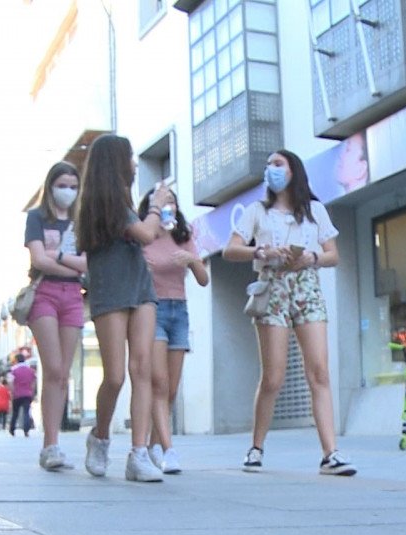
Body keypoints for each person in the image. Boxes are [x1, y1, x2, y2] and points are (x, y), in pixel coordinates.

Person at [223, 150, 356, 477]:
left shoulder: (315, 211)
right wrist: (262, 251)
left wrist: (310, 258)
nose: (271, 169)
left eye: (277, 164)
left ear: (293, 170)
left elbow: (333, 255)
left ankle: (330, 453)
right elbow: (230, 249)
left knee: (319, 372)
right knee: (274, 376)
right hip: (272, 287)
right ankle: (256, 447)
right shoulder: (257, 211)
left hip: (307, 288)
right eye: (268, 165)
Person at [75, 134, 174, 482]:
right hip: (110, 290)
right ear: (115, 163)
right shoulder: (109, 205)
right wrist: (157, 203)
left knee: (142, 367)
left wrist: (160, 215)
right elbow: (147, 234)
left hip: (140, 287)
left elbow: (151, 235)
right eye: (130, 157)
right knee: (115, 375)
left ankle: (138, 453)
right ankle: (100, 437)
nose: (134, 164)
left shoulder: (124, 203)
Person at [137, 188, 209, 474]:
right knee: (159, 382)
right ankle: (169, 449)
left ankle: (156, 443)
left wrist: (191, 260)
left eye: (172, 202)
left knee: (172, 387)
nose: (169, 207)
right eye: (163, 202)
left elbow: (203, 279)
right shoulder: (145, 235)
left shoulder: (183, 236)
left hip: (179, 311)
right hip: (152, 308)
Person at [24, 162, 87, 471]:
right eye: (63, 184)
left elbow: (87, 265)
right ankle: (49, 445)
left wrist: (57, 257)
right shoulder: (37, 217)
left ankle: (55, 443)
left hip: (74, 297)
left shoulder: (81, 221)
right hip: (44, 293)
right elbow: (37, 259)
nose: (68, 191)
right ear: (50, 186)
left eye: (74, 186)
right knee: (53, 368)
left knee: (64, 373)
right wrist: (69, 264)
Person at [9, 354, 36, 437]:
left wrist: (12, 391)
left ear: (16, 360)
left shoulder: (14, 370)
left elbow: (10, 382)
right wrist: (32, 392)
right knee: (26, 412)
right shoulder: (30, 371)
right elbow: (33, 383)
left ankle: (12, 429)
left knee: (15, 412)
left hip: (17, 394)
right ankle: (26, 429)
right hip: (27, 394)